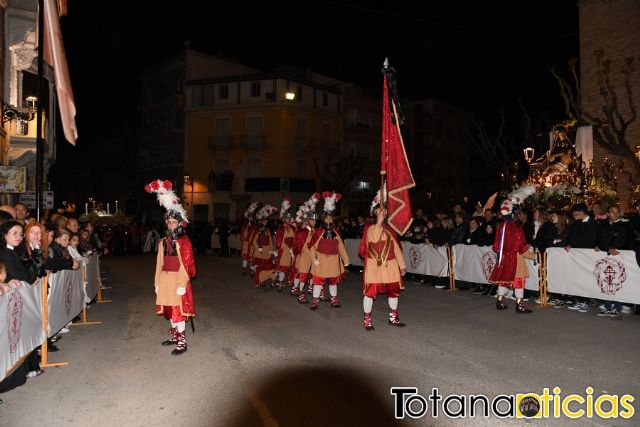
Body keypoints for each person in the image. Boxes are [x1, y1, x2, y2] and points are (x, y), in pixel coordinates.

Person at [146, 179, 196, 356]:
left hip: (178, 281)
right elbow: (159, 263)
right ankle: (175, 335)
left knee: (177, 311)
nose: (170, 225)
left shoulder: (184, 241)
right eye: (168, 222)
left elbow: (187, 264)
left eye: (174, 222)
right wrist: (157, 282)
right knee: (169, 310)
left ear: (180, 224)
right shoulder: (163, 241)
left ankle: (182, 341)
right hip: (165, 281)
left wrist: (183, 283)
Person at [358, 191, 407, 330]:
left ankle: (393, 317)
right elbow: (374, 238)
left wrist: (402, 265)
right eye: (380, 209)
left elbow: (397, 248)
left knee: (393, 292)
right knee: (370, 292)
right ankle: (367, 318)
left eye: (385, 209)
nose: (383, 211)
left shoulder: (391, 229)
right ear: (374, 212)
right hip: (375, 266)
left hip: (391, 266)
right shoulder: (370, 228)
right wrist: (379, 222)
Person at [489, 186, 537, 313]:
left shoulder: (501, 226)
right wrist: (535, 256)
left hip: (504, 258)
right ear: (514, 213)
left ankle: (500, 301)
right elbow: (521, 247)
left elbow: (495, 247)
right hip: (516, 259)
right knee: (519, 281)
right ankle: (520, 305)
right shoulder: (517, 227)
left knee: (504, 280)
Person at [308, 192, 350, 310]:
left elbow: (341, 246)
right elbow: (312, 247)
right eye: (327, 217)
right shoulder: (318, 231)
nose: (329, 219)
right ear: (324, 218)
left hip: (333, 261)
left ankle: (334, 300)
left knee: (333, 282)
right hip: (320, 261)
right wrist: (314, 259)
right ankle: (315, 301)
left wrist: (346, 260)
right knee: (318, 282)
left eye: (331, 217)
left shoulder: (336, 231)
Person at [249, 205, 278, 288]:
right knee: (261, 268)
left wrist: (272, 250)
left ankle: (273, 278)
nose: (266, 222)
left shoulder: (267, 230)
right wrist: (258, 248)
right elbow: (253, 241)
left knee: (269, 266)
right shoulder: (256, 230)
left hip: (267, 252)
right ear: (261, 221)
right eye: (264, 221)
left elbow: (270, 242)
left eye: (266, 221)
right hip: (259, 253)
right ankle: (262, 280)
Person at [274, 198, 296, 292]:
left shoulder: (293, 228)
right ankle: (280, 282)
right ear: (283, 219)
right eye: (286, 218)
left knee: (292, 268)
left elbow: (296, 238)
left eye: (289, 218)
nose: (288, 219)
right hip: (284, 251)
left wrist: (293, 248)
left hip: (292, 251)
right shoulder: (281, 228)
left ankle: (294, 285)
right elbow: (278, 241)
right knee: (282, 268)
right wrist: (284, 247)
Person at [240, 202, 260, 275]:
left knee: (252, 257)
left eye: (251, 217)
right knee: (245, 257)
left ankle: (253, 270)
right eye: (249, 217)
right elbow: (242, 235)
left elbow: (257, 234)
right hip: (246, 243)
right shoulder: (244, 225)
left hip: (252, 244)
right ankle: (244, 269)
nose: (250, 218)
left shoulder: (255, 226)